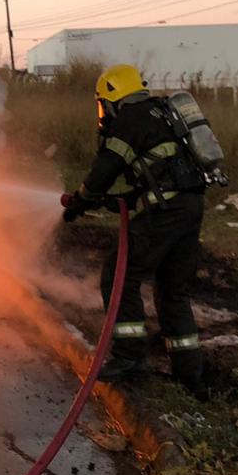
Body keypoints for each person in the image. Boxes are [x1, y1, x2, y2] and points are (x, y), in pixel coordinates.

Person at [61, 64, 208, 391]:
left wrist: (81, 200)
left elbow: (105, 170)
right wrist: (116, 200)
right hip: (189, 206)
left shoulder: (129, 120)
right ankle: (190, 374)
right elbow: (163, 173)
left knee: (118, 273)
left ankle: (129, 359)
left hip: (168, 210)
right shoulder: (161, 114)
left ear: (113, 97)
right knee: (172, 290)